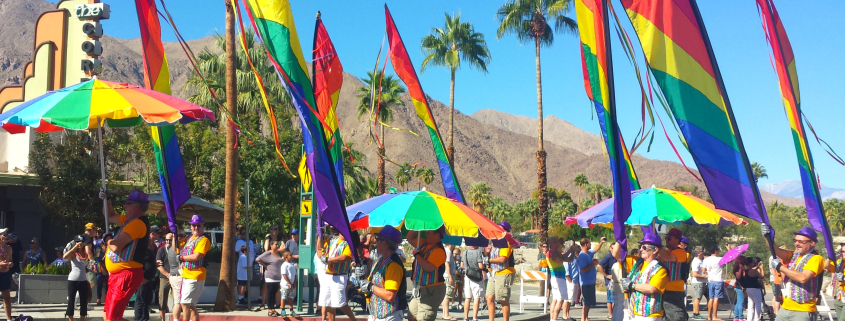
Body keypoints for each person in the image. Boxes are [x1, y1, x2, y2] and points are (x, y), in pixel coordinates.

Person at [102, 189, 151, 321]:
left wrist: (107, 238)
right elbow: (109, 215)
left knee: (112, 317)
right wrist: (107, 199)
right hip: (117, 275)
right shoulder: (128, 221)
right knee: (107, 316)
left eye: (128, 203)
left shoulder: (137, 223)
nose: (125, 206)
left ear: (136, 206)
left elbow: (116, 246)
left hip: (126, 275)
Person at [762, 225, 825, 321]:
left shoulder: (816, 258)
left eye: (801, 241)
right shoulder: (794, 255)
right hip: (785, 308)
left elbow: (803, 278)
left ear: (812, 243)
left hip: (803, 310)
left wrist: (780, 267)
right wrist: (767, 236)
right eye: (795, 240)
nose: (797, 244)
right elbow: (775, 250)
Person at [620, 233, 668, 321]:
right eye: (640, 246)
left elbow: (651, 288)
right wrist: (619, 239)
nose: (641, 249)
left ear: (655, 250)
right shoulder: (637, 263)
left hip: (649, 316)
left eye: (644, 247)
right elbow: (618, 256)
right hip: (632, 313)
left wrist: (631, 285)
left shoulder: (661, 269)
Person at [367, 225, 407, 321]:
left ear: (384, 242)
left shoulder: (393, 265)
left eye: (377, 239)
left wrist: (371, 287)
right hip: (377, 315)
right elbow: (371, 281)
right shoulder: (380, 260)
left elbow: (390, 295)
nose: (376, 241)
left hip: (389, 316)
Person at [409, 227, 448, 321]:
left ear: (437, 235)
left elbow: (428, 267)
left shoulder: (439, 251)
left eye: (429, 233)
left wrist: (417, 255)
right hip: (420, 289)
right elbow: (409, 237)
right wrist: (418, 224)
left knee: (423, 318)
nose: (425, 235)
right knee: (411, 317)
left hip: (431, 289)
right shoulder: (423, 243)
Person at [320, 226, 357, 321]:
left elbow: (345, 257)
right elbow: (320, 249)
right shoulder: (332, 240)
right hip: (328, 275)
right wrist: (320, 235)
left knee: (340, 303)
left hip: (339, 276)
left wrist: (329, 260)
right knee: (327, 302)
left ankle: (354, 320)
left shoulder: (349, 243)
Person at [179, 215, 211, 321]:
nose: (196, 228)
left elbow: (196, 256)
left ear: (202, 226)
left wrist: (181, 258)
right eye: (193, 226)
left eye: (198, 226)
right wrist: (175, 233)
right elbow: (178, 246)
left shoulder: (204, 240)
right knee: (191, 305)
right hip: (186, 274)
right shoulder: (189, 238)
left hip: (195, 275)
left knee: (185, 303)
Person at [657, 228, 690, 321]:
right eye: (666, 238)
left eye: (669, 238)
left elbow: (667, 258)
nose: (666, 240)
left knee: (676, 317)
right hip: (664, 290)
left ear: (677, 240)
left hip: (674, 292)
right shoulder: (668, 252)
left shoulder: (681, 252)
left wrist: (657, 244)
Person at [486, 221, 516, 321]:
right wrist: (487, 253)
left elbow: (502, 259)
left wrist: (488, 260)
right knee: (489, 297)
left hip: (504, 272)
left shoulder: (506, 242)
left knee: (503, 299)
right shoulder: (495, 242)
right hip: (494, 272)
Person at [547, 237, 578, 321]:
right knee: (560, 300)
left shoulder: (553, 252)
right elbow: (564, 257)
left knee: (555, 299)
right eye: (557, 242)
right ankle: (554, 319)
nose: (559, 244)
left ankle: (552, 319)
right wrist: (571, 249)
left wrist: (572, 250)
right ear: (553, 243)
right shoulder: (553, 253)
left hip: (556, 278)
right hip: (558, 278)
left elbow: (570, 259)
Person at [578, 237, 606, 321]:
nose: (591, 244)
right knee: (586, 302)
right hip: (585, 282)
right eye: (589, 243)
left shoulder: (588, 253)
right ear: (586, 244)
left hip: (590, 282)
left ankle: (585, 317)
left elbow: (595, 249)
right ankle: (583, 318)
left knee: (589, 302)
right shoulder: (582, 256)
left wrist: (601, 242)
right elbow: (582, 269)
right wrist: (593, 264)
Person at [135, 225, 159, 321]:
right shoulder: (142, 251)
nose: (150, 241)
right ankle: (139, 318)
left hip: (149, 279)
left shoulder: (150, 250)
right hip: (142, 279)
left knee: (146, 301)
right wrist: (141, 278)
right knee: (140, 301)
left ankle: (144, 318)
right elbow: (139, 265)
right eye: (148, 240)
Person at [65, 235, 91, 321]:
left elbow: (85, 267)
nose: (80, 244)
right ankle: (70, 319)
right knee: (71, 300)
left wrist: (91, 268)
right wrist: (75, 247)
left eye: (81, 242)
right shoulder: (73, 254)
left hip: (83, 280)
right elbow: (65, 257)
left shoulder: (85, 254)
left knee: (84, 301)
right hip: (73, 280)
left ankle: (82, 319)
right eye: (78, 242)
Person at [257, 243, 284, 317]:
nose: (277, 246)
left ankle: (273, 308)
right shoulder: (268, 253)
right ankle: (270, 309)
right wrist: (265, 266)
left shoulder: (278, 253)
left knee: (274, 292)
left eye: (277, 244)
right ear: (271, 245)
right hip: (270, 276)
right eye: (275, 244)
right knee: (270, 292)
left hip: (278, 277)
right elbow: (258, 259)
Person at [703, 246, 727, 321]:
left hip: (710, 280)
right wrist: (729, 250)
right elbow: (729, 260)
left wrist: (710, 272)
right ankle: (714, 316)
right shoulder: (719, 259)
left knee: (711, 298)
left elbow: (704, 271)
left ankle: (709, 316)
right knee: (716, 298)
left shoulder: (706, 259)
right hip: (718, 280)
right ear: (716, 251)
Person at [155, 232, 175, 321]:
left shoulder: (177, 250)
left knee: (177, 300)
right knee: (162, 298)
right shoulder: (161, 250)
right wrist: (167, 274)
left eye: (170, 240)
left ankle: (175, 318)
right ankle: (162, 319)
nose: (168, 241)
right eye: (166, 239)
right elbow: (159, 265)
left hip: (175, 276)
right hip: (164, 277)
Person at [462, 245, 485, 321]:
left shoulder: (465, 252)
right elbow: (480, 266)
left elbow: (462, 266)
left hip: (467, 275)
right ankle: (474, 318)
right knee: (476, 297)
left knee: (468, 297)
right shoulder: (478, 252)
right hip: (476, 276)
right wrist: (484, 266)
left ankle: (466, 317)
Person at [598, 243, 618, 321]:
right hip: (610, 281)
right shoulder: (608, 257)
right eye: (613, 248)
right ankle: (610, 315)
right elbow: (600, 265)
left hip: (616, 280)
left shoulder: (616, 257)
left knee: (615, 298)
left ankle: (613, 314)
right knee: (611, 299)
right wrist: (606, 275)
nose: (614, 250)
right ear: (610, 248)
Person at [562, 243, 581, 321]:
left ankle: (568, 315)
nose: (577, 248)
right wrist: (570, 281)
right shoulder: (567, 258)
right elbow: (566, 271)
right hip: (570, 281)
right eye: (576, 247)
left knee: (571, 300)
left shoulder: (575, 258)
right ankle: (564, 315)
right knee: (567, 299)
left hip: (575, 280)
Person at [690, 246, 709, 320]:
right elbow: (695, 274)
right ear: (698, 253)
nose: (703, 252)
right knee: (698, 298)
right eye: (701, 251)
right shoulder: (696, 262)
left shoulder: (701, 260)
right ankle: (696, 313)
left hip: (703, 282)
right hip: (698, 282)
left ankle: (696, 313)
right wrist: (705, 276)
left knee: (704, 297)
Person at [95, 233, 113, 306]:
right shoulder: (98, 251)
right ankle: (98, 298)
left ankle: (107, 299)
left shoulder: (111, 249)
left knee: (109, 284)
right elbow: (98, 261)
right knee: (99, 280)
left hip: (109, 269)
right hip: (100, 271)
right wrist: (103, 270)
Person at [0, 230, 14, 321]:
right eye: (3, 235)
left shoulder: (9, 248)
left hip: (5, 274)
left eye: (6, 234)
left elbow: (12, 262)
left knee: (7, 298)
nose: (6, 236)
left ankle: (9, 319)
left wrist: (10, 264)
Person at [829, 246, 845, 321]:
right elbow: (826, 267)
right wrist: (830, 256)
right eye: (842, 251)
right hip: (838, 294)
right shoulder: (838, 262)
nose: (843, 253)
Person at [280, 250, 298, 317]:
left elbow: (295, 275)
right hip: (285, 285)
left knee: (290, 298)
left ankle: (291, 311)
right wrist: (289, 283)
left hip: (291, 285)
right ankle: (283, 310)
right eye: (290, 255)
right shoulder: (284, 265)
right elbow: (284, 275)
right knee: (283, 297)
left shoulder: (292, 265)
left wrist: (294, 283)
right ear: (286, 257)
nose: (291, 256)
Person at [731, 257, 748, 321]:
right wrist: (742, 270)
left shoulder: (735, 267)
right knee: (741, 302)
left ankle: (736, 317)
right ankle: (741, 317)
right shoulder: (739, 267)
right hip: (741, 287)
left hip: (737, 286)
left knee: (738, 303)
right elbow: (739, 277)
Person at [442, 243, 456, 321]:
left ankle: (445, 313)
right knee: (448, 295)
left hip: (445, 275)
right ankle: (446, 314)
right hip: (448, 275)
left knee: (445, 295)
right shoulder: (448, 251)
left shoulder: (445, 250)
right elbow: (447, 263)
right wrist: (450, 276)